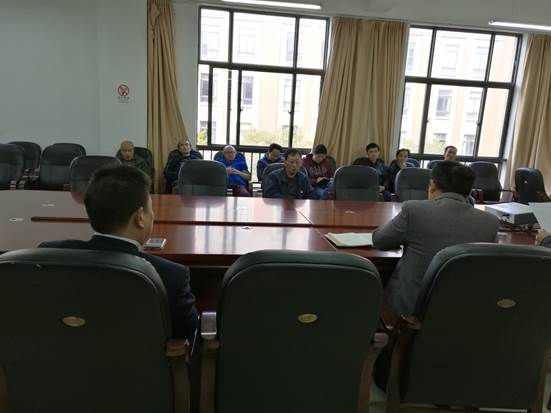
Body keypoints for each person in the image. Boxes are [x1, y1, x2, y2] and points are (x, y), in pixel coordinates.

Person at [38, 165, 198, 340]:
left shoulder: (48, 256)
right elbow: (186, 332)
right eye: (151, 209)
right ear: (140, 217)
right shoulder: (171, 276)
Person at [373, 161, 499, 316]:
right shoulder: (491, 222)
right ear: (469, 193)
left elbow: (380, 241)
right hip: (464, 309)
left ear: (432, 186)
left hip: (412, 307)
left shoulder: (414, 210)